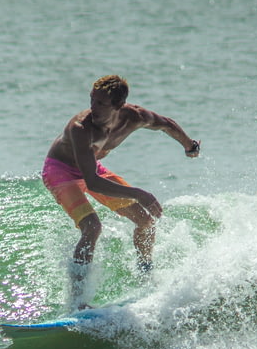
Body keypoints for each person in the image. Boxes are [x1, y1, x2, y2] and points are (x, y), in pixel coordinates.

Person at [42, 75, 200, 309]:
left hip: (92, 168)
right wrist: (139, 193)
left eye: (100, 103)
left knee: (145, 221)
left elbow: (165, 123)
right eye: (92, 100)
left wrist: (189, 145)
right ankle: (77, 302)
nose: (92, 108)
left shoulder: (134, 117)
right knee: (92, 227)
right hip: (61, 172)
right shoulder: (80, 129)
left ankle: (146, 278)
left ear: (118, 105)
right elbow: (93, 183)